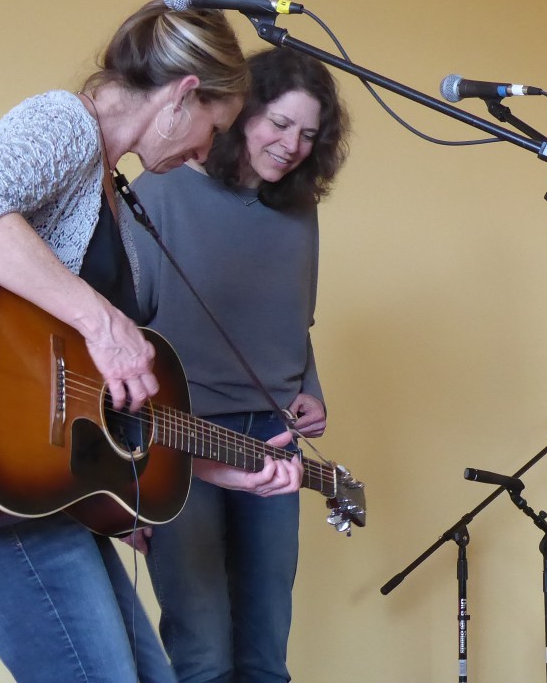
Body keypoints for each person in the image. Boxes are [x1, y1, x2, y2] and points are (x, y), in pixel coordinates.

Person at [0, 0, 302, 682]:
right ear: (182, 95)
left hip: (36, 491)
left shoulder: (111, 188)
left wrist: (210, 467)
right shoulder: (65, 122)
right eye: (213, 127)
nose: (207, 150)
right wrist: (103, 320)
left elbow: (82, 394)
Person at [127, 46, 349, 682]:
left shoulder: (299, 209)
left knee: (265, 657)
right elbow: (122, 333)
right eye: (279, 123)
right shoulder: (159, 190)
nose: (291, 146)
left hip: (273, 439)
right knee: (202, 657)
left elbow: (294, 319)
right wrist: (131, 468)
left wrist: (310, 388)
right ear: (239, 112)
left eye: (308, 135)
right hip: (180, 436)